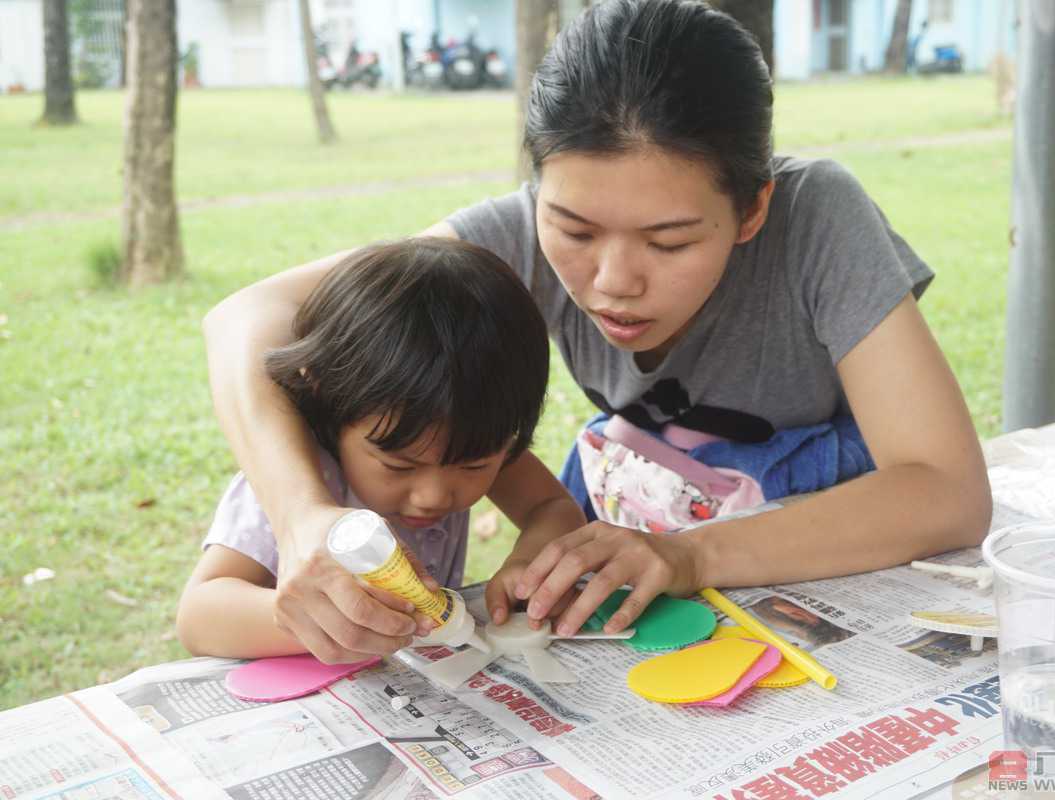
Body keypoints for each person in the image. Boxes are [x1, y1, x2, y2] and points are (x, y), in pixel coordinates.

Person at [201, 0, 991, 664]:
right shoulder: (508, 239)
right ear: (537, 187)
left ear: (753, 208)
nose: (612, 281)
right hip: (637, 517)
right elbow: (245, 318)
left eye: (670, 242)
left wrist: (692, 553)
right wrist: (303, 517)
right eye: (572, 228)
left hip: (817, 532)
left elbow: (944, 491)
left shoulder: (817, 217)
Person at [177, 238, 585, 659]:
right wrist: (327, 622)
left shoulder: (471, 432)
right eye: (399, 466)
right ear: (331, 402)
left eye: (474, 467)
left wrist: (529, 563)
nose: (433, 496)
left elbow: (553, 508)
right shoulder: (305, 472)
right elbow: (199, 615)